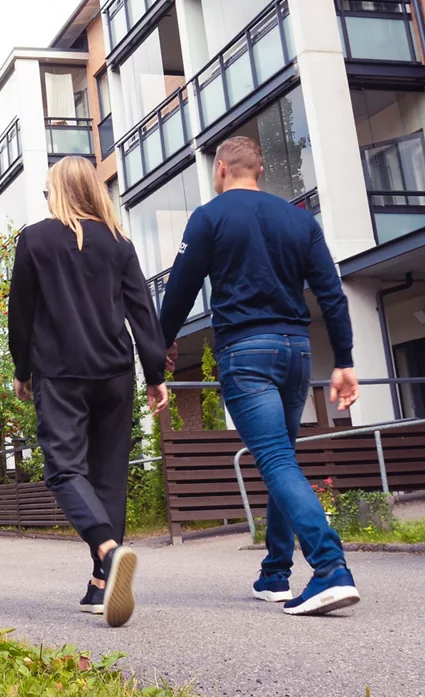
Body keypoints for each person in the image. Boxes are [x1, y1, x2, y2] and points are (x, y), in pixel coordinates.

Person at [157, 136, 364, 616]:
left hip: (246, 352)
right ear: (260, 170)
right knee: (281, 459)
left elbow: (180, 289)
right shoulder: (299, 219)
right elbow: (331, 293)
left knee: (275, 460)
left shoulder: (209, 217)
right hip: (296, 352)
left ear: (221, 168)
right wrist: (344, 360)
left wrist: (159, 346)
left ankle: (330, 568)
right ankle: (275, 573)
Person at [8, 156, 170, 628]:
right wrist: (154, 373)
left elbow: (21, 312)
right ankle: (102, 583)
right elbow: (142, 311)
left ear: (58, 192)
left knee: (64, 469)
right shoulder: (119, 242)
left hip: (60, 372)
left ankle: (108, 549)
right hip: (114, 373)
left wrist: (22, 369)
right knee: (108, 476)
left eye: (47, 191)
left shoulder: (35, 239)